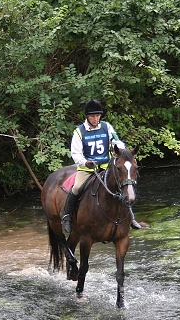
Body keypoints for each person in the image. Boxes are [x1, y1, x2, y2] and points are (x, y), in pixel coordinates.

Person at [61, 99, 142, 234]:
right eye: (92, 116)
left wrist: (122, 151)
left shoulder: (107, 127)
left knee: (123, 184)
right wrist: (85, 162)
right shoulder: (79, 132)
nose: (95, 119)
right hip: (87, 169)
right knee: (76, 188)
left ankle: (131, 217)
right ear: (87, 116)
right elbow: (75, 153)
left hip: (106, 167)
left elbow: (117, 141)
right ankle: (67, 216)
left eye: (98, 116)